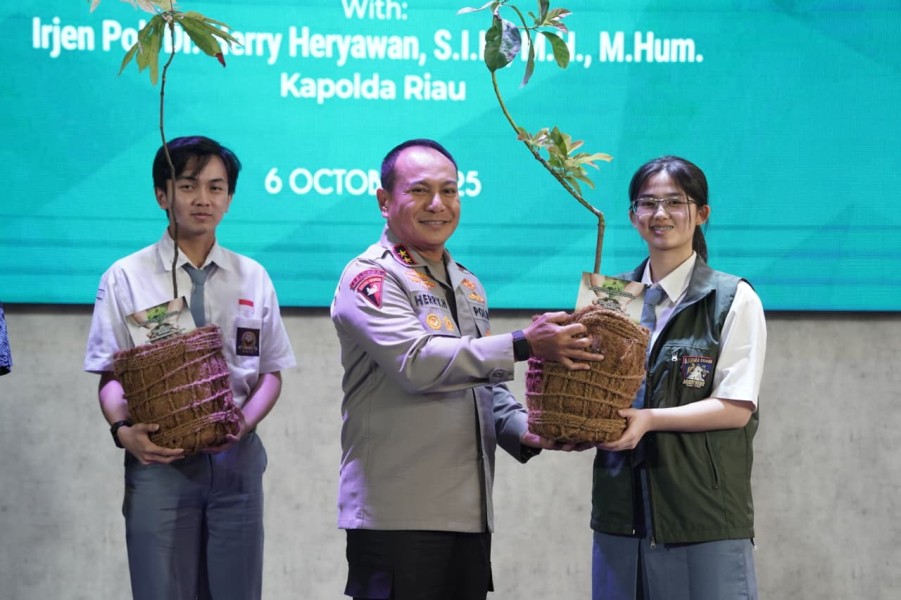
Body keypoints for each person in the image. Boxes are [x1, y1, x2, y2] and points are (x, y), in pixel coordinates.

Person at [330, 138, 601, 600]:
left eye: (449, 191)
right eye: (419, 191)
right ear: (384, 201)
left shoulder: (468, 283)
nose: (437, 204)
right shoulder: (369, 276)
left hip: (469, 515)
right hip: (399, 516)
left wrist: (530, 430)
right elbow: (417, 362)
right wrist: (524, 344)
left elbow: (483, 385)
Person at [83, 135, 296, 600]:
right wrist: (123, 431)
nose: (203, 199)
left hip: (236, 462)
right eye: (188, 186)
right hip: (160, 461)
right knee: (161, 589)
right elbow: (110, 374)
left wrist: (243, 424)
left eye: (216, 188)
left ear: (229, 198)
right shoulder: (126, 276)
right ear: (162, 195)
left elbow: (271, 373)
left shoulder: (253, 276)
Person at [590, 156, 767, 600]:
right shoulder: (609, 296)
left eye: (675, 202)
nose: (660, 214)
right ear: (633, 216)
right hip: (620, 516)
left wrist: (649, 420)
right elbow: (591, 393)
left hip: (701, 518)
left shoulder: (732, 297)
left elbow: (735, 407)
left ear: (701, 213)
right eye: (647, 203)